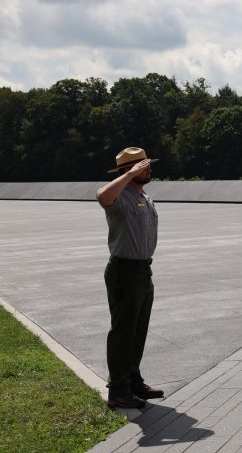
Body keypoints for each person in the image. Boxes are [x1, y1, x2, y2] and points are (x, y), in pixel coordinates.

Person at [96, 147, 164, 409]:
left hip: (143, 270)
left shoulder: (144, 197)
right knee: (123, 332)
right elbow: (102, 196)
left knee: (138, 330)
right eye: (143, 166)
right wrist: (128, 175)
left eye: (148, 165)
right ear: (129, 170)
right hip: (124, 271)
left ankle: (133, 381)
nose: (149, 169)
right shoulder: (119, 195)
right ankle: (118, 390)